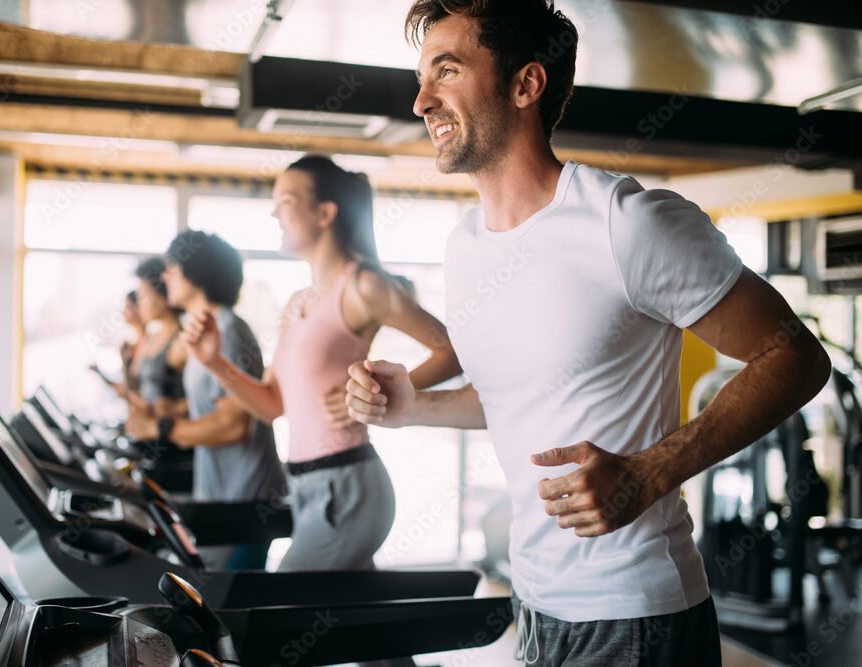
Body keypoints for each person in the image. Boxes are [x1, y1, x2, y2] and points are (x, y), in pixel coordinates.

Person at [344, 2, 832, 665]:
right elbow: (518, 397)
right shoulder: (464, 247)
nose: (421, 100)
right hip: (535, 604)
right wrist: (412, 406)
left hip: (634, 611)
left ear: (526, 84)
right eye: (422, 77)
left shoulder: (625, 222)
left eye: (447, 71)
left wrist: (651, 471)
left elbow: (794, 356)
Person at [183, 154, 463, 572]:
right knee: (339, 607)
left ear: (325, 213)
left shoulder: (364, 287)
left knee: (285, 599)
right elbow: (271, 406)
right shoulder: (296, 304)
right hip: (305, 487)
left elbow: (452, 351)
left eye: (286, 202)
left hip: (347, 485)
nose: (274, 213)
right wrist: (213, 362)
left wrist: (384, 394)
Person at [127, 230, 286, 571]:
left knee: (235, 596)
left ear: (195, 274)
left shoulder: (227, 332)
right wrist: (171, 410)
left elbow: (233, 426)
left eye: (172, 269)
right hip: (223, 490)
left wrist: (159, 428)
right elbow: (218, 400)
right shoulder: (204, 329)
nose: (165, 277)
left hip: (246, 499)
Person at [132, 256, 192, 490]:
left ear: (162, 295)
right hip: (150, 441)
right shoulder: (152, 339)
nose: (139, 302)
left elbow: (206, 398)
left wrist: (175, 408)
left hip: (174, 447)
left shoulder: (182, 341)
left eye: (145, 294)